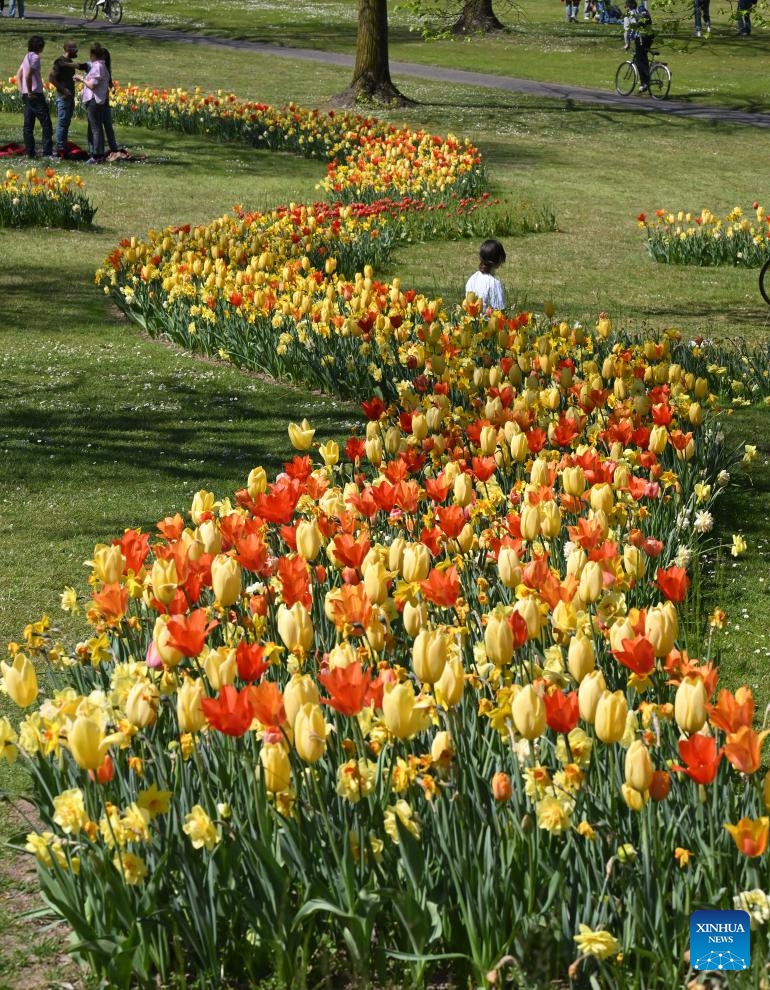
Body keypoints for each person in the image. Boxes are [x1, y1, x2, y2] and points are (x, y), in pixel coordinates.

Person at [49, 40, 88, 158]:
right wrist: (63, 90)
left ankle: (63, 146)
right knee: (62, 123)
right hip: (63, 97)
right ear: (68, 50)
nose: (76, 51)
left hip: (70, 97)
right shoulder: (59, 62)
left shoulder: (70, 62)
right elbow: (51, 78)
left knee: (66, 123)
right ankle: (60, 149)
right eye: (74, 49)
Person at [17, 36, 53, 159]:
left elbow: (19, 74)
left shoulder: (27, 56)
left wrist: (22, 90)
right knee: (46, 123)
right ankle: (47, 152)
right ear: (39, 47)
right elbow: (27, 76)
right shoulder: (35, 58)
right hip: (35, 94)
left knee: (28, 125)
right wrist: (30, 91)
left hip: (26, 94)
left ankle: (30, 152)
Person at [74, 44, 109, 163]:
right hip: (96, 100)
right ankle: (97, 153)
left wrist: (82, 79)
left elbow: (92, 85)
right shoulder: (101, 65)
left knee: (95, 128)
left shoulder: (98, 67)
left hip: (94, 100)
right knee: (96, 127)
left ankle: (96, 155)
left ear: (93, 55)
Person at [465, 239, 506, 312]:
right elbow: (499, 312)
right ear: (500, 259)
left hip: (471, 320)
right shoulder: (494, 283)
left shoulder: (473, 278)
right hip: (487, 322)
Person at [623, 0, 654, 93]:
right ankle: (646, 80)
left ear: (628, 6)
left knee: (638, 60)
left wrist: (627, 44)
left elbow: (626, 31)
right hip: (650, 35)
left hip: (641, 37)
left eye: (626, 6)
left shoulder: (628, 15)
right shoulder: (641, 9)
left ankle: (645, 83)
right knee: (643, 57)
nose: (626, 8)